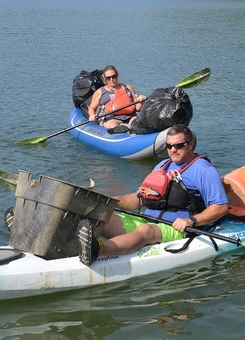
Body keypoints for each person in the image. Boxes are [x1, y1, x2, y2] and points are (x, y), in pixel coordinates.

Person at [78, 124, 230, 265]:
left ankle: (97, 250)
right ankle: (74, 246)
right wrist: (110, 201)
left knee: (145, 231)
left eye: (178, 145)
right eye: (169, 146)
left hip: (177, 229)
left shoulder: (203, 170)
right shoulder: (162, 165)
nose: (173, 150)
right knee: (100, 214)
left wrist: (191, 220)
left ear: (190, 144)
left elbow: (221, 207)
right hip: (147, 220)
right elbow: (139, 199)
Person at [86, 65, 145, 132]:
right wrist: (92, 115)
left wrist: (141, 101)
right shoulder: (100, 92)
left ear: (117, 75)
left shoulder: (128, 87)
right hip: (112, 119)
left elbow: (138, 108)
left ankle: (133, 129)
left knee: (136, 122)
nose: (111, 79)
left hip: (130, 116)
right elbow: (91, 108)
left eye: (113, 76)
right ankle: (121, 130)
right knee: (113, 125)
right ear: (105, 78)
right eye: (108, 78)